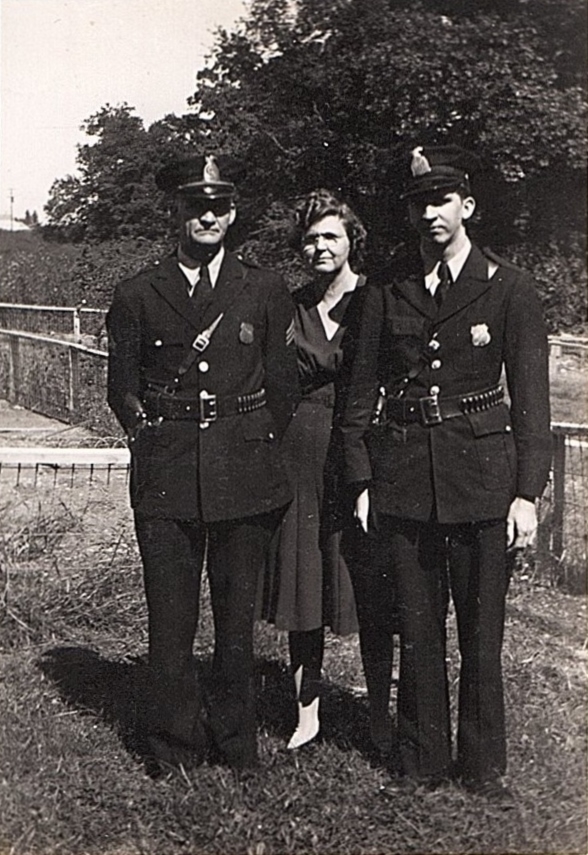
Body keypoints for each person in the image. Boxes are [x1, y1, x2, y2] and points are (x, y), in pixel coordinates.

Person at [342, 145, 551, 797]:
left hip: (483, 478)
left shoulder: (509, 287)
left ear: (468, 207)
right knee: (419, 626)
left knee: (481, 632)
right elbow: (358, 393)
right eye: (420, 202)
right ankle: (421, 757)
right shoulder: (387, 289)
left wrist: (526, 493)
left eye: (442, 200)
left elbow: (533, 400)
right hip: (403, 477)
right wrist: (361, 479)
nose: (431, 212)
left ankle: (484, 764)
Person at [106, 153, 299, 773]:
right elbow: (122, 387)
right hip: (168, 474)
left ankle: (235, 741)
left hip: (244, 473)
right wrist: (148, 437)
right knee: (171, 621)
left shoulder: (263, 288)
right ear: (178, 214)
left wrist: (257, 437)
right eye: (196, 207)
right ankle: (174, 745)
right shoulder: (138, 292)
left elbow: (284, 382)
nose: (208, 216)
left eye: (218, 207)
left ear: (233, 214)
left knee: (236, 623)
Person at [260, 189, 398, 752]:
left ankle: (381, 714)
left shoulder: (378, 300)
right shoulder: (290, 307)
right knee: (304, 584)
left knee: (367, 583)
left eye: (331, 236)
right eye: (311, 238)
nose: (320, 246)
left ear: (352, 242)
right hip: (300, 454)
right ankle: (307, 713)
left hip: (361, 453)